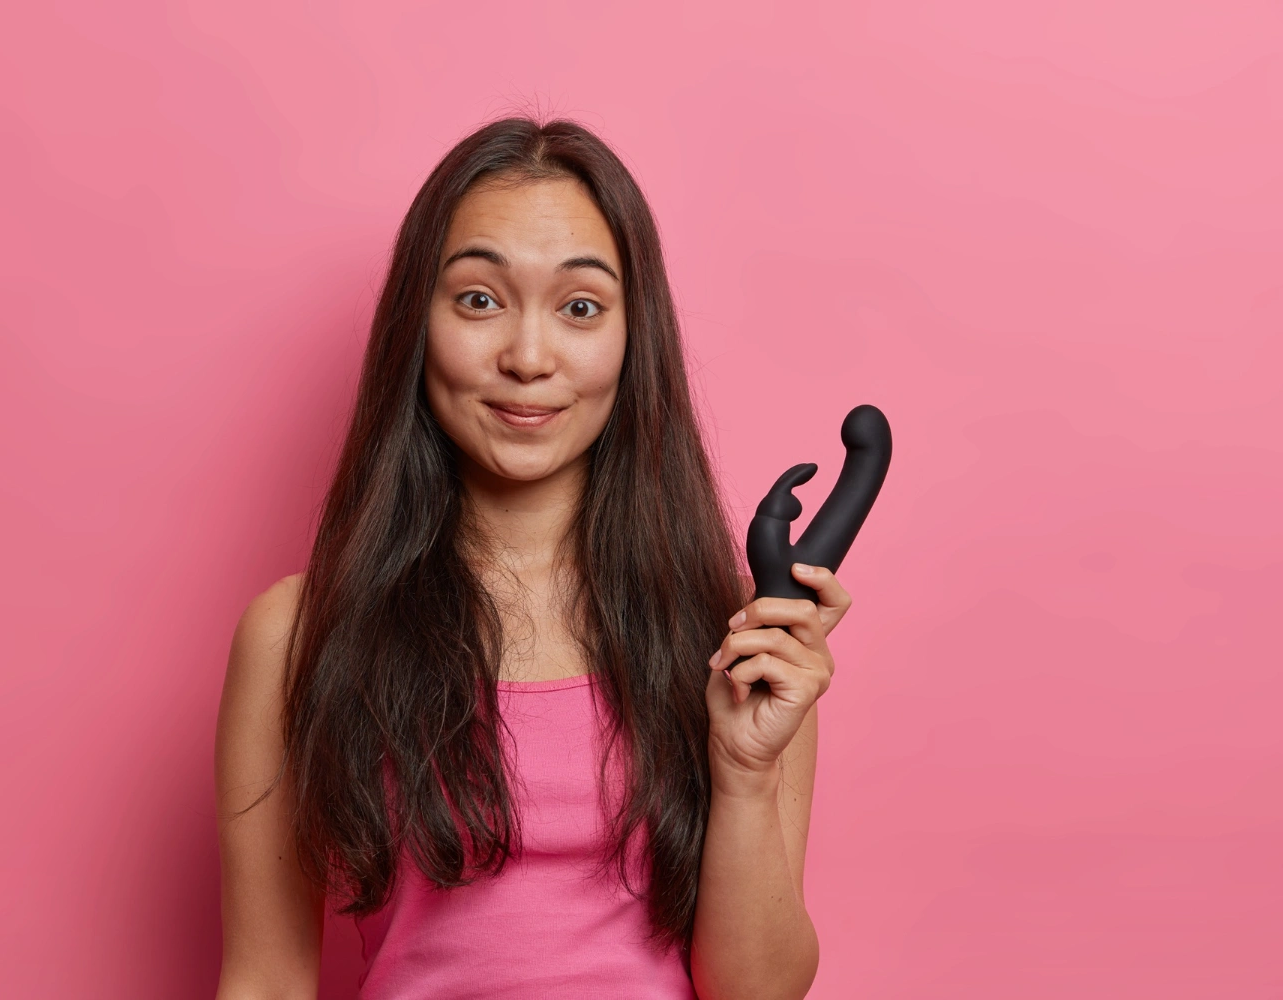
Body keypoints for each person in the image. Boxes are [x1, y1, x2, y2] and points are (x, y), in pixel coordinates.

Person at [213, 116, 853, 1000]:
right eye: (479, 299)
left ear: (635, 342)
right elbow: (264, 981)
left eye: (580, 307)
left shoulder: (744, 638)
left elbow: (759, 991)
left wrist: (744, 773)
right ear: (417, 323)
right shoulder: (296, 635)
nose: (527, 356)